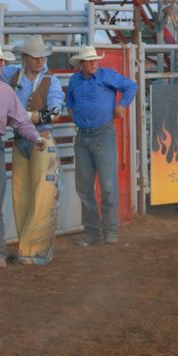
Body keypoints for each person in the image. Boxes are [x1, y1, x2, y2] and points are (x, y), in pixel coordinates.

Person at [0, 42, 46, 268]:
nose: (3, 64)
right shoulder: (5, 90)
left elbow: (21, 120)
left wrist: (36, 138)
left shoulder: (5, 91)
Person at [0, 36, 64, 265]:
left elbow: (55, 110)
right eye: (34, 57)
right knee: (22, 194)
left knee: (41, 196)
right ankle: (27, 248)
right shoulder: (12, 74)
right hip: (23, 139)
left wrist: (28, 116)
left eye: (41, 57)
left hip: (41, 139)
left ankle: (29, 249)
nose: (39, 61)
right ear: (25, 57)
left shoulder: (50, 80)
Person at [66, 46, 137, 246]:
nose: (93, 63)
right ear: (81, 63)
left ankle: (109, 230)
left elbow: (131, 86)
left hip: (102, 133)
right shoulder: (75, 80)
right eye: (89, 61)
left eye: (95, 60)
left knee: (107, 185)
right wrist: (75, 113)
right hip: (85, 135)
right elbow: (69, 101)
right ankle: (94, 232)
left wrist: (122, 105)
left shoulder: (106, 75)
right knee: (85, 187)